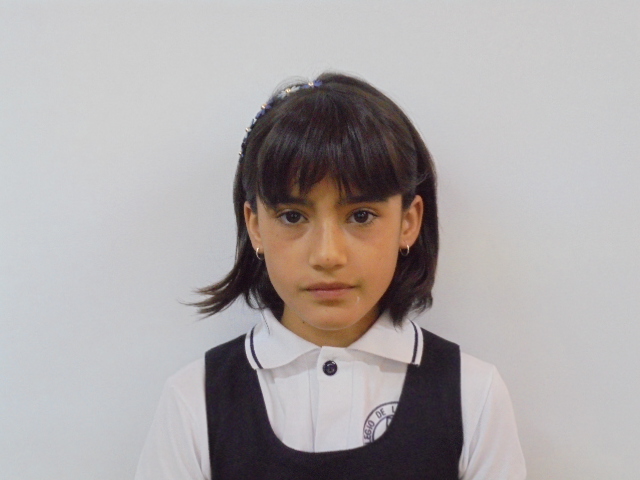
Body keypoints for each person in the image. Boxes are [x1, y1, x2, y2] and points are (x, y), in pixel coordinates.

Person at [135, 73, 526, 479]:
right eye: (292, 216)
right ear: (255, 226)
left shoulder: (472, 395)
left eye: (361, 216)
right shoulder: (194, 401)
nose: (327, 255)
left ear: (408, 222)